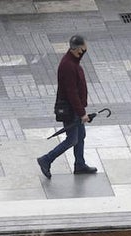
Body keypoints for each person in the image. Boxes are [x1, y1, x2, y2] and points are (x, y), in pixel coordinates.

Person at [37, 35, 98, 179]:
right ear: (76, 49)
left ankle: (80, 164)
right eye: (83, 49)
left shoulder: (73, 61)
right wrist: (82, 113)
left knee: (81, 136)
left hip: (75, 109)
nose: (85, 52)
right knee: (72, 139)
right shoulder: (68, 65)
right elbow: (72, 93)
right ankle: (46, 159)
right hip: (71, 111)